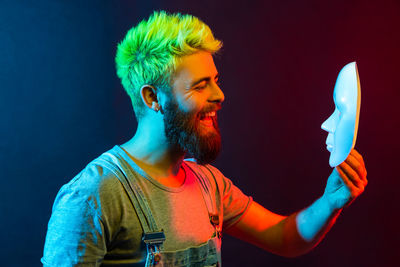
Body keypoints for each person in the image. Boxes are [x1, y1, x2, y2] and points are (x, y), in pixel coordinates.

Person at [41, 11, 368, 267]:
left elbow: (284, 237)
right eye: (200, 85)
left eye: (216, 80)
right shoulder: (92, 195)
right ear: (153, 97)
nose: (220, 95)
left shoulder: (209, 184)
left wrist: (330, 203)